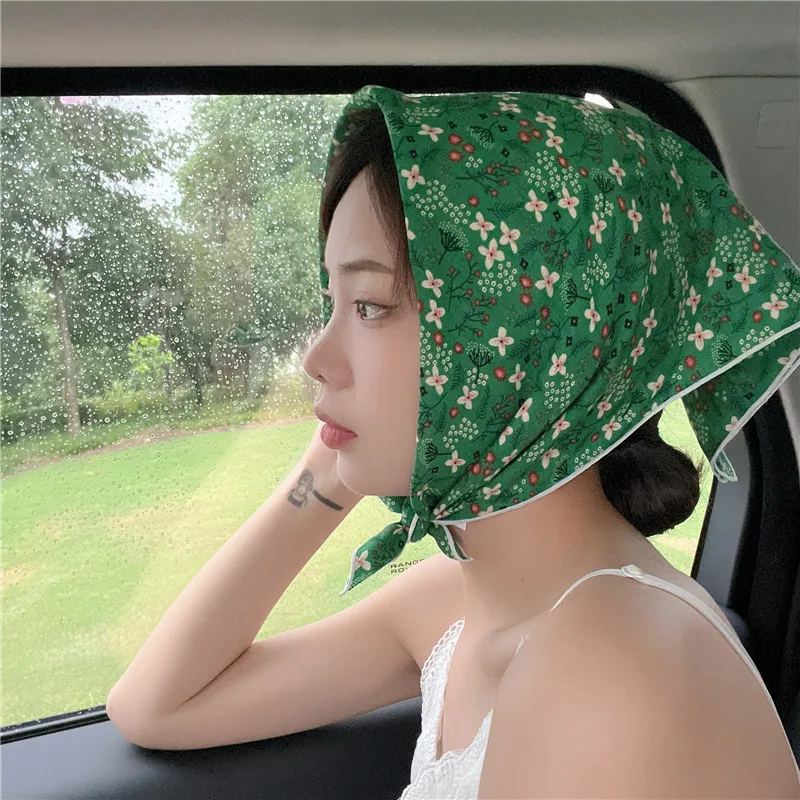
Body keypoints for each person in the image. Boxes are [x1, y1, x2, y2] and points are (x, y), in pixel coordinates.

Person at [107, 86, 800, 798]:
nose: (316, 357)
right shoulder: (460, 601)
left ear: (526, 341)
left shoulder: (607, 668)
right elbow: (157, 706)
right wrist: (330, 471)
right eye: (331, 302)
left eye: (369, 305)